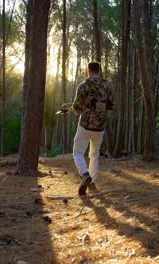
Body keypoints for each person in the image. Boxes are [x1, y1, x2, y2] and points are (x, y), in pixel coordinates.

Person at [61, 62, 115, 195]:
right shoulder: (107, 86)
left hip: (85, 126)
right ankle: (92, 183)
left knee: (77, 153)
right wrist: (100, 109)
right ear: (99, 71)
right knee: (94, 156)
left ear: (88, 71)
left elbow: (78, 108)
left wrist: (70, 109)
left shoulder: (83, 86)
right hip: (100, 127)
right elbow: (112, 106)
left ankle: (85, 174)